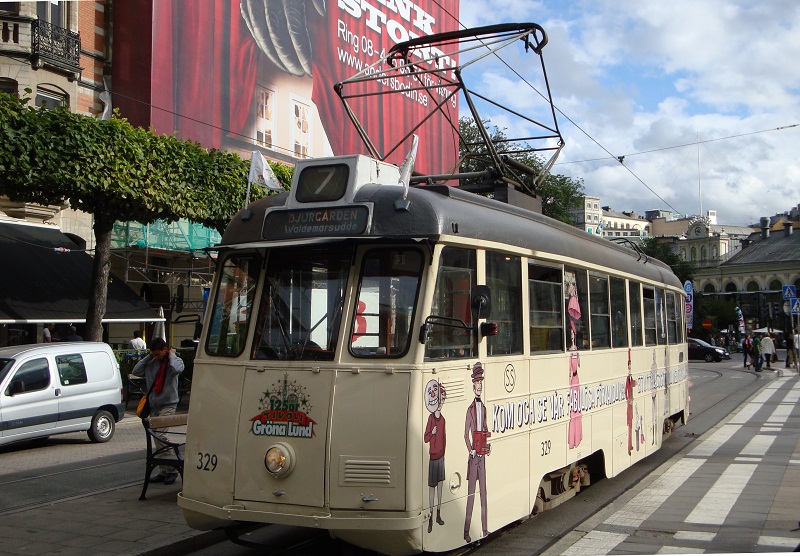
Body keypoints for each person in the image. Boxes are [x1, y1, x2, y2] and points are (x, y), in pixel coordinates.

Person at [132, 338, 185, 485]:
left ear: (164, 350)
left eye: (158, 354)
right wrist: (149, 356)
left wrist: (172, 355)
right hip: (154, 404)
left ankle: (173, 468)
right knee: (156, 437)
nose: (156, 357)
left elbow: (177, 369)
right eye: (153, 354)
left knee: (161, 434)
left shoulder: (174, 361)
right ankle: (163, 470)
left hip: (168, 404)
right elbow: (136, 371)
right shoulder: (151, 363)